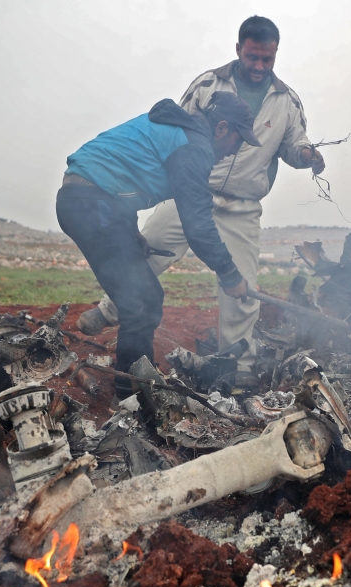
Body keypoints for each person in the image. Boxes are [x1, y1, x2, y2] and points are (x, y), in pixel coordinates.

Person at [78, 16, 325, 384]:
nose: (259, 67)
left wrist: (306, 154)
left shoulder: (287, 101)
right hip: (191, 189)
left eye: (267, 60)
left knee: (242, 287)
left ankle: (237, 369)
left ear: (275, 55)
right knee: (148, 249)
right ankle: (110, 309)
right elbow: (180, 129)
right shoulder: (209, 84)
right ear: (239, 48)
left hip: (242, 205)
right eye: (253, 57)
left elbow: (294, 142)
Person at [57, 91, 258, 399]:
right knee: (141, 302)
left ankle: (137, 381)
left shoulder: (181, 133)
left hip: (90, 199)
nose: (235, 151)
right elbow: (198, 225)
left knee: (144, 298)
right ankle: (132, 395)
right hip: (90, 204)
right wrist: (230, 275)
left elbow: (123, 174)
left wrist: (130, 229)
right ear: (221, 129)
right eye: (238, 139)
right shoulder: (194, 147)